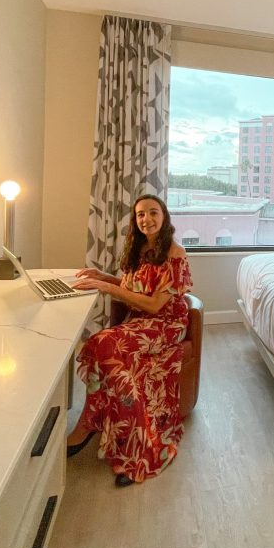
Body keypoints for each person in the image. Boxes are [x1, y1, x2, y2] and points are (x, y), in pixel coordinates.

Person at [66, 194, 193, 487]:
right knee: (102, 346)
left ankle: (122, 437)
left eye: (153, 212)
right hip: (139, 322)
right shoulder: (139, 248)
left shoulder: (175, 253)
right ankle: (102, 421)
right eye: (140, 215)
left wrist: (106, 288)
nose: (146, 219)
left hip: (165, 324)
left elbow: (155, 305)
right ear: (135, 221)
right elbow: (132, 289)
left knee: (103, 343)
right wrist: (104, 277)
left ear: (164, 216)